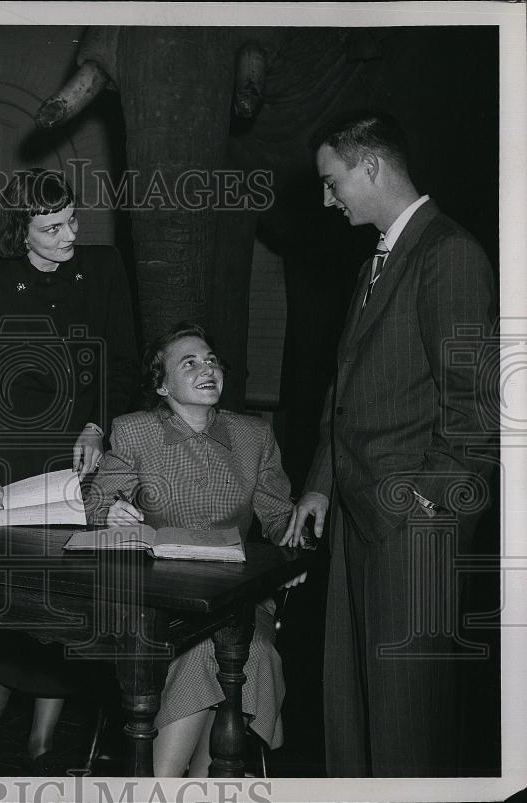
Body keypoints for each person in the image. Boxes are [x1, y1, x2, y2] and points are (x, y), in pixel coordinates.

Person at [286, 111, 497, 777]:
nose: (327, 199)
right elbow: (346, 389)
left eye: (333, 182)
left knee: (408, 731)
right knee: (353, 720)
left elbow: (476, 407)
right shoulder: (377, 260)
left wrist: (425, 510)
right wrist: (320, 484)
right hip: (358, 519)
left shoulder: (449, 253)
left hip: (409, 531)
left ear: (371, 167)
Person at [0, 168, 138, 772]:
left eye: (72, 220)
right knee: (19, 593)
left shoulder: (104, 267)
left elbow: (122, 358)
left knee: (69, 594)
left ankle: (42, 737)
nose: (70, 235)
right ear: (21, 230)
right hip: (14, 450)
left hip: (80, 452)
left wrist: (98, 425)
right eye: (52, 228)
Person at [87, 322, 295, 777]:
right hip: (156, 600)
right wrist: (111, 513)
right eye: (190, 363)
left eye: (212, 360)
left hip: (239, 596)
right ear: (162, 386)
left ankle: (168, 785)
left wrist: (291, 551)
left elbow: (280, 516)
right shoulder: (135, 431)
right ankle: (182, 785)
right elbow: (97, 503)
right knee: (210, 649)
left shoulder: (254, 436)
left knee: (242, 647)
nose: (208, 369)